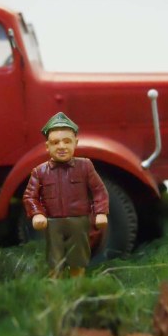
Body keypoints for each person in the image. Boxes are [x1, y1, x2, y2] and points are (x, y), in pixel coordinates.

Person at [23, 112, 108, 278]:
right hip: (53, 224)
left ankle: (77, 286)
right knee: (55, 261)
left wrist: (101, 212)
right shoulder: (39, 171)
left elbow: (99, 190)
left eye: (67, 141)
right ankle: (56, 288)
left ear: (76, 143)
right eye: (55, 142)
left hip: (79, 223)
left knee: (78, 259)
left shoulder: (85, 166)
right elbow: (30, 196)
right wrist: (37, 213)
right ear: (47, 146)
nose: (61, 146)